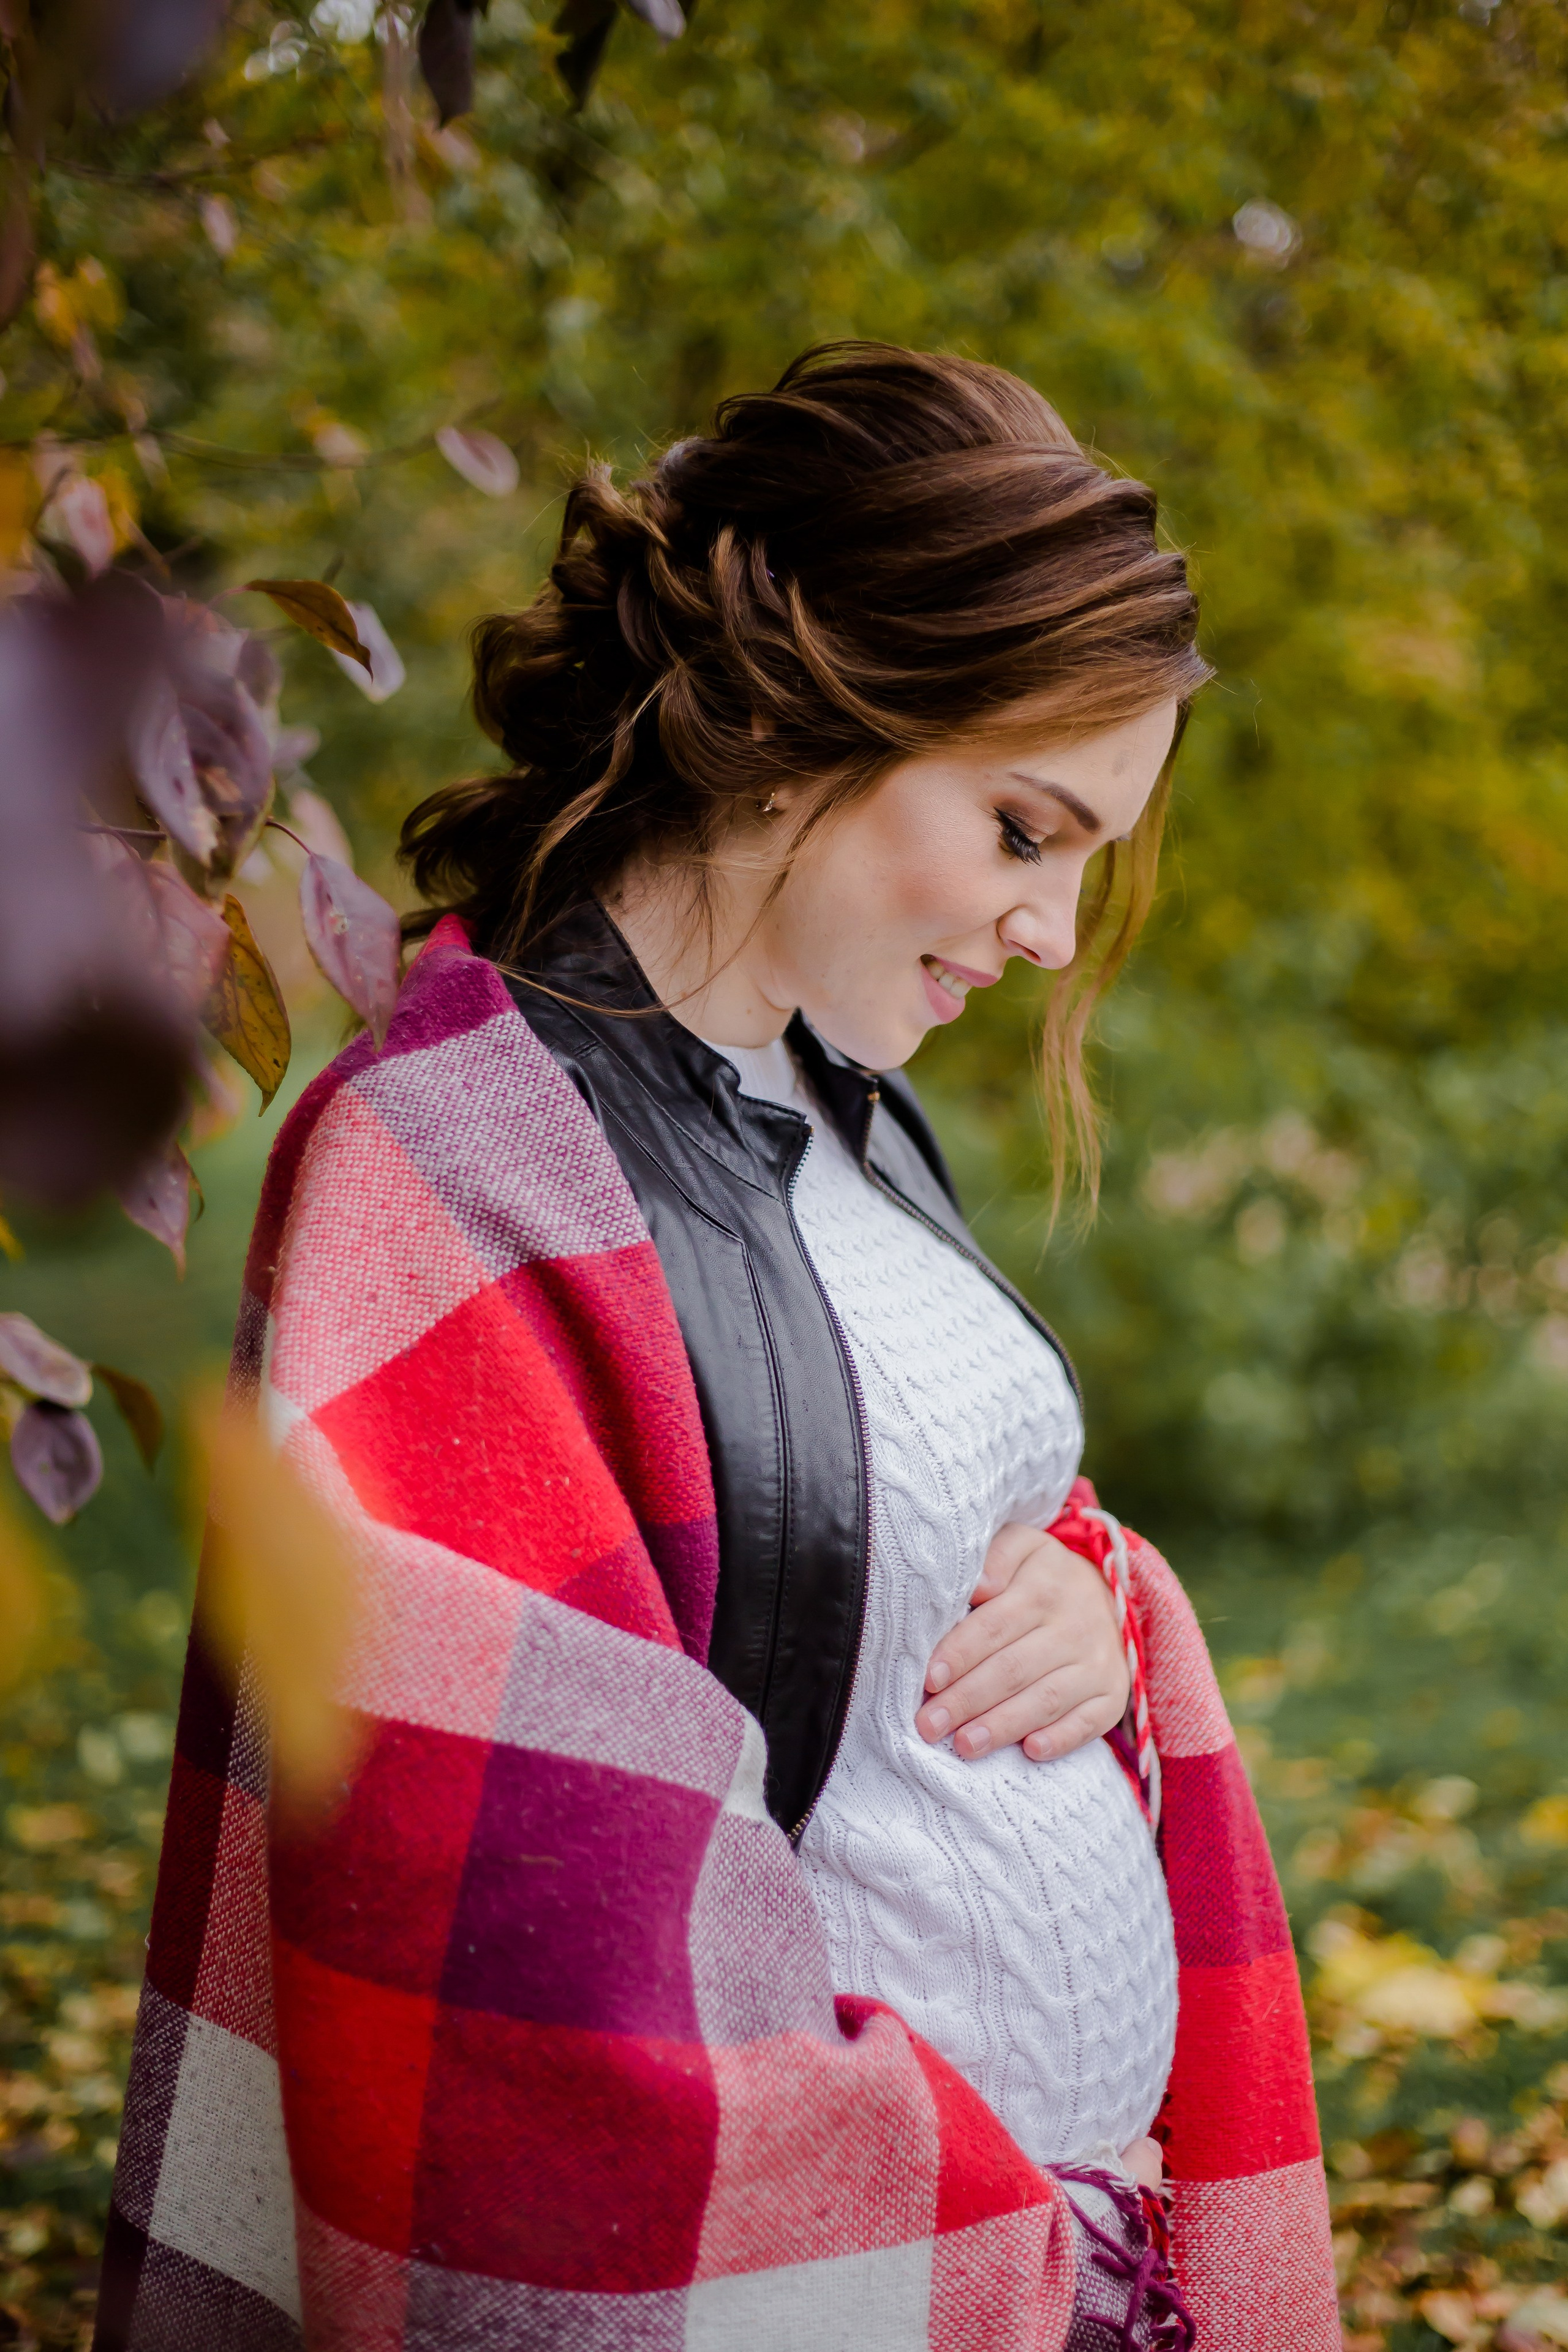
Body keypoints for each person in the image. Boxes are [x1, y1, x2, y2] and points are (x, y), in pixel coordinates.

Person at [99, 345, 1338, 2352]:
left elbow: (883, 1546)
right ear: (802, 718)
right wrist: (986, 2240)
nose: (1051, 933)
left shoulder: (851, 1110)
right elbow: (527, 1922)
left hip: (1087, 2263)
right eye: (1027, 830)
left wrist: (1103, 1603)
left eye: (1089, 860)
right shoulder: (463, 1164)